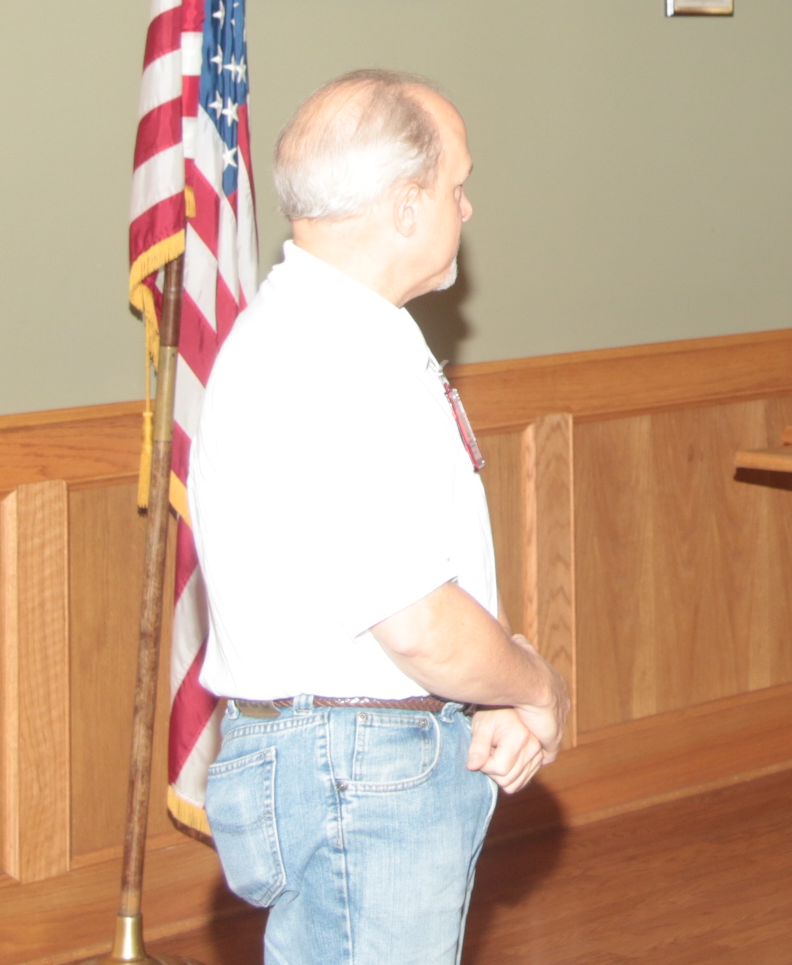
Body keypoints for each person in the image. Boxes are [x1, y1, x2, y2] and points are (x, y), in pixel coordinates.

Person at [192, 70, 567, 964]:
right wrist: (531, 685)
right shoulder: (335, 359)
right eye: (456, 186)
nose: (466, 209)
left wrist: (481, 692)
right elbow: (420, 625)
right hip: (360, 770)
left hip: (347, 754)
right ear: (405, 206)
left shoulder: (327, 328)